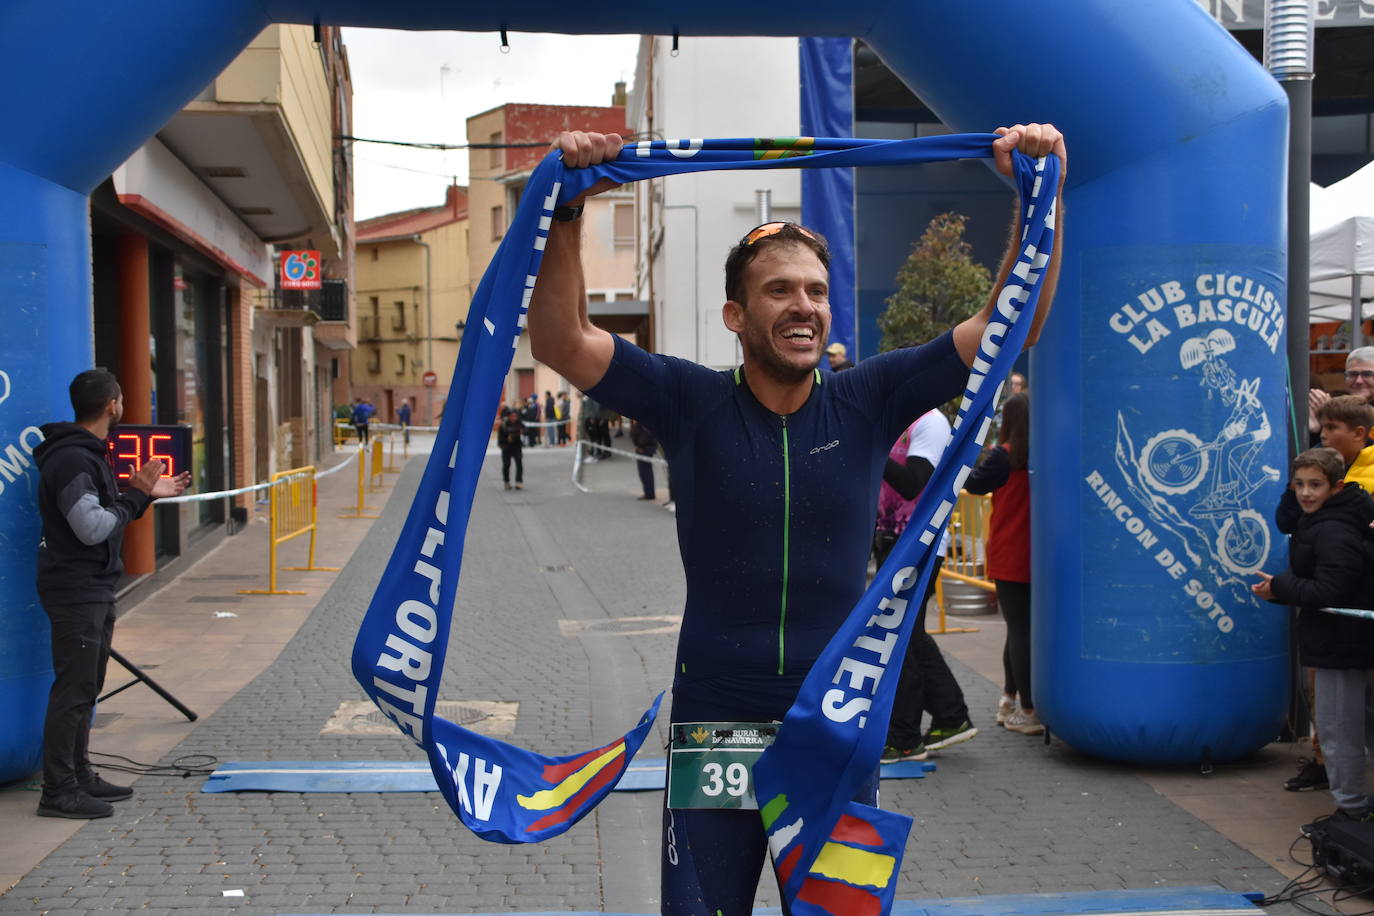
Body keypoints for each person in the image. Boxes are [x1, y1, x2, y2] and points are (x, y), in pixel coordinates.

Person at [528, 124, 1065, 914]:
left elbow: (1009, 326)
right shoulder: (691, 400)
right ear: (735, 316)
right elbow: (562, 340)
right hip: (715, 715)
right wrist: (569, 212)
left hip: (834, 722)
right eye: (780, 289)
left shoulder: (868, 398)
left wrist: (1037, 194)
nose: (804, 305)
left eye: (815, 290)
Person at [33, 369, 190, 818]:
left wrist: (142, 496)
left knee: (88, 686)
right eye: (121, 400)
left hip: (91, 587)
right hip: (75, 589)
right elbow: (92, 528)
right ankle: (58, 791)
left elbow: (103, 515)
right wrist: (136, 493)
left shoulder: (86, 454)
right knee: (74, 690)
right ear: (113, 405)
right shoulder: (72, 460)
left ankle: (80, 775)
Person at [1253, 447, 1374, 823]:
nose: (1305, 493)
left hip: (1342, 646)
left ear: (1336, 487)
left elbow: (1329, 591)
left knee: (1339, 731)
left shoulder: (1333, 530)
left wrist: (1282, 587)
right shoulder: (1329, 518)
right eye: (1299, 485)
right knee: (1358, 727)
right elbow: (1289, 519)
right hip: (1347, 642)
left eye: (1315, 485)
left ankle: (1352, 810)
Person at [875, 409, 978, 762]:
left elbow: (912, 482)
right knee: (909, 634)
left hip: (921, 543)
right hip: (893, 540)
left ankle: (905, 737)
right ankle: (951, 716)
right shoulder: (895, 421)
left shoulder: (929, 421)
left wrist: (872, 449)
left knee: (899, 637)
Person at [964, 392, 1040, 734]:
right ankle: (1011, 701)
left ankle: (1023, 708)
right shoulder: (1043, 456)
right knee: (1024, 630)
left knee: (1018, 629)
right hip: (1041, 555)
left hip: (1009, 553)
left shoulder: (1003, 457)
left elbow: (973, 485)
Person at [1308, 347, 1374, 441]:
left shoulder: (1336, 411)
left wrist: (1333, 417)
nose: (1358, 381)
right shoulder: (1339, 405)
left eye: (1367, 374)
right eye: (1353, 374)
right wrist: (1317, 430)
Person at [496, 406, 524, 490]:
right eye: (512, 416)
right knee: (506, 465)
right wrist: (503, 445)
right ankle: (506, 482)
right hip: (506, 447)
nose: (514, 418)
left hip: (516, 446)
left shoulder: (519, 423)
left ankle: (519, 481)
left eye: (515, 416)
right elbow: (500, 438)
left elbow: (525, 430)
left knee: (519, 463)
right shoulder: (503, 425)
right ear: (508, 416)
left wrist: (520, 432)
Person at [631, 419, 659, 501]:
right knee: (643, 472)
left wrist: (643, 448)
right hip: (641, 449)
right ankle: (648, 492)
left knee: (646, 472)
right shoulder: (638, 425)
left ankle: (650, 493)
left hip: (647, 450)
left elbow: (649, 439)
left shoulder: (647, 425)